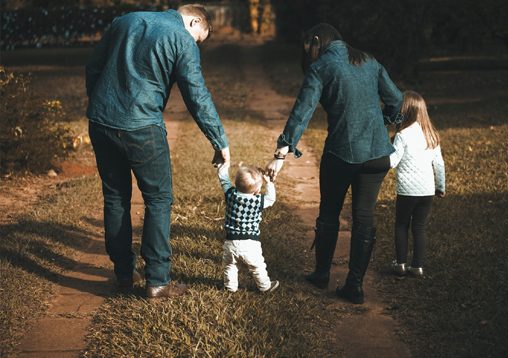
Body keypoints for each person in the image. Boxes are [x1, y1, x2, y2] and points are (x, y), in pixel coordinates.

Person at [85, 4, 230, 299]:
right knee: (159, 199)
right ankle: (158, 280)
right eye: (199, 37)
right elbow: (197, 96)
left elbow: (93, 66)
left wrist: (99, 105)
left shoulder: (124, 21)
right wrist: (219, 141)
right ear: (194, 20)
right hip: (142, 128)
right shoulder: (182, 39)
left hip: (101, 122)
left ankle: (124, 276)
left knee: (115, 197)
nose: (196, 44)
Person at [266, 23, 403, 304]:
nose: (310, 54)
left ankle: (321, 274)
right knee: (364, 217)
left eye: (310, 48)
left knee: (329, 213)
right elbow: (397, 100)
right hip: (377, 155)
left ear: (317, 41)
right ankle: (355, 285)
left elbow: (301, 114)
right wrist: (386, 122)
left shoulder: (321, 67)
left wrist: (280, 155)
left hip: (341, 154)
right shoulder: (369, 60)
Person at [389, 91, 445, 277]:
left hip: (407, 191)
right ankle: (417, 267)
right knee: (419, 227)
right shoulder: (432, 135)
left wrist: (383, 152)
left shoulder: (402, 135)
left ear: (405, 111)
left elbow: (393, 162)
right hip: (427, 190)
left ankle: (401, 264)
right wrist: (440, 187)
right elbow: (439, 164)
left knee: (401, 225)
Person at [217, 164, 279, 293]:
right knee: (257, 267)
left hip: (231, 242)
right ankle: (265, 286)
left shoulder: (230, 194)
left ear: (236, 184)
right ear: (256, 191)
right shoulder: (258, 201)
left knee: (230, 266)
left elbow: (224, 180)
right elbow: (271, 199)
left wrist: (222, 167)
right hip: (251, 244)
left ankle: (230, 287)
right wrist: (269, 183)